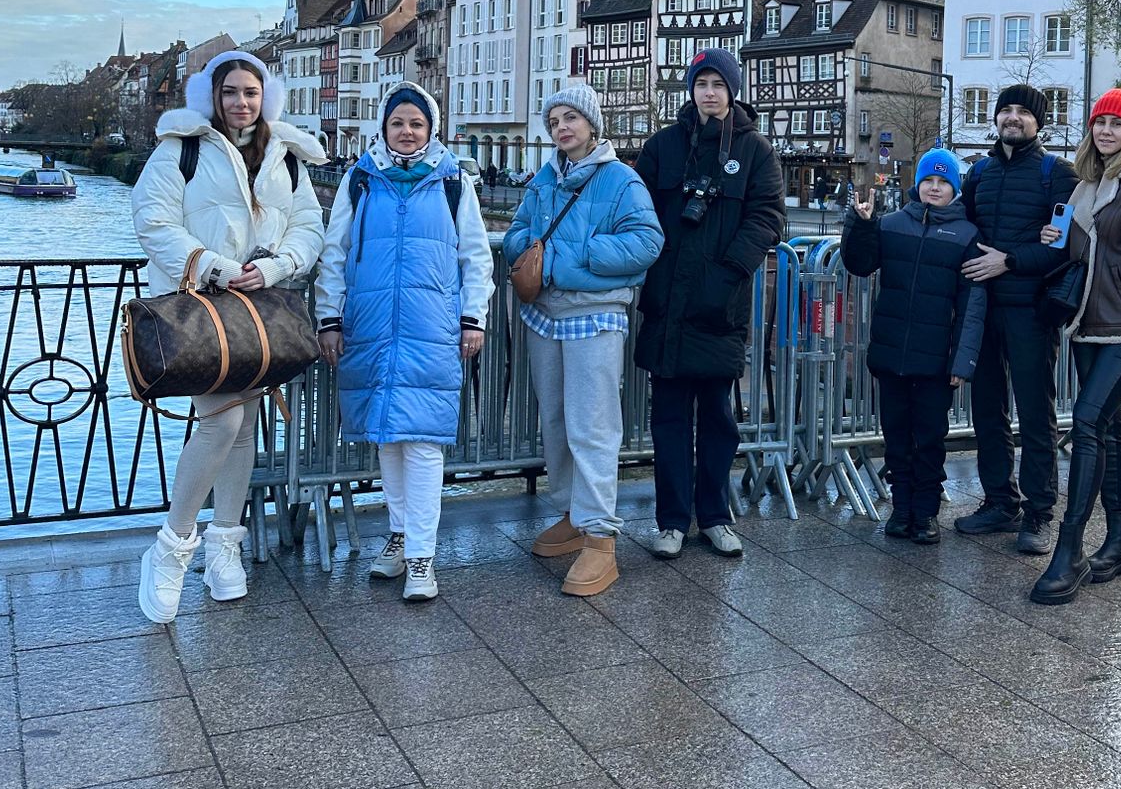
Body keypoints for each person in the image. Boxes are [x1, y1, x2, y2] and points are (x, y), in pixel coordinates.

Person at [132, 52, 326, 623]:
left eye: (251, 92)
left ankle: (224, 546)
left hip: (256, 309)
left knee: (241, 428)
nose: (241, 102)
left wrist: (275, 267)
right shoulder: (182, 149)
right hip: (199, 306)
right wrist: (212, 265)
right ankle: (172, 546)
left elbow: (308, 227)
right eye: (230, 92)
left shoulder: (286, 156)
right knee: (224, 422)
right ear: (212, 97)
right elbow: (152, 221)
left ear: (266, 98)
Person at [315, 83, 493, 602]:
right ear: (384, 127)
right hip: (369, 326)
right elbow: (334, 252)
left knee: (423, 442)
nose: (407, 132)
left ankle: (421, 557)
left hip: (431, 328)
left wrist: (473, 318)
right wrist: (329, 318)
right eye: (398, 123)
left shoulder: (453, 180)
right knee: (387, 438)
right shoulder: (360, 179)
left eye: (417, 124)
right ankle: (399, 536)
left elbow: (475, 256)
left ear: (431, 129)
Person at [503, 83, 663, 597]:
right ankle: (574, 512)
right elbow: (517, 232)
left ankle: (600, 537)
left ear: (592, 124)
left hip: (594, 315)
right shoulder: (544, 178)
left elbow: (647, 242)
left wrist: (571, 257)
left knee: (592, 425)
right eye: (554, 122)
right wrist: (529, 249)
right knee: (556, 419)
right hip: (544, 316)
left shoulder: (621, 180)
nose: (562, 128)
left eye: (570, 118)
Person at [1030, 89, 1121, 605]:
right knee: (1109, 429)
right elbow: (1085, 249)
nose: (1107, 131)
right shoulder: (1086, 182)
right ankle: (1119, 544)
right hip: (1088, 322)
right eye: (1100, 123)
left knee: (1087, 421)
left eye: (1117, 124)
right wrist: (1056, 239)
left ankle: (1069, 550)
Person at [634, 48, 785, 559]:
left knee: (719, 420)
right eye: (702, 84)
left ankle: (716, 517)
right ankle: (672, 521)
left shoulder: (755, 150)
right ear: (691, 90)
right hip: (668, 303)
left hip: (722, 305)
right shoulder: (662, 146)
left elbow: (767, 217)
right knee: (669, 419)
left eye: (719, 84)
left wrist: (730, 271)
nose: (710, 93)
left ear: (732, 91)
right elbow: (638, 210)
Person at [956, 85, 1079, 555]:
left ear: (1038, 122)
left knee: (1034, 413)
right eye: (1005, 110)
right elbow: (962, 227)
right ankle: (999, 502)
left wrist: (1007, 261)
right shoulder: (979, 172)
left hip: (1030, 309)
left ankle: (1040, 512)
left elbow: (1064, 247)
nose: (1012, 118)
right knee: (987, 410)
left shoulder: (1057, 174)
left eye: (1023, 112)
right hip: (982, 308)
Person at [842, 147, 986, 543]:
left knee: (929, 438)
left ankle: (925, 513)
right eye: (928, 181)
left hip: (937, 359)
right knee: (896, 436)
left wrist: (962, 361)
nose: (934, 188)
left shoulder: (966, 235)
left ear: (954, 188)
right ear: (917, 185)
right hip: (892, 352)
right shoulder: (891, 225)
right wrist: (860, 223)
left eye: (943, 182)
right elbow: (860, 263)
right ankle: (901, 508)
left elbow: (972, 304)